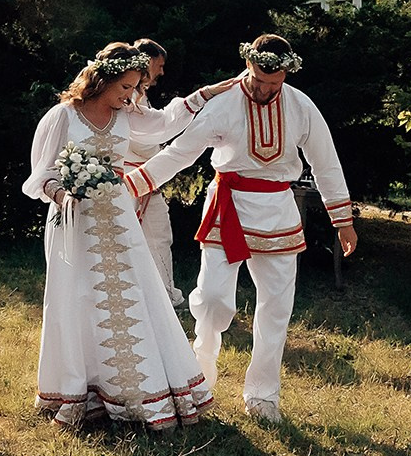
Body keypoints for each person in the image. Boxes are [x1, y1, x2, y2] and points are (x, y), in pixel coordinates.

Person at [125, 34, 357, 424]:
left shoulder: (301, 106)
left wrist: (343, 220)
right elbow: (180, 153)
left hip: (279, 210)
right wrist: (129, 186)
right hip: (229, 205)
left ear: (287, 73)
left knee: (277, 307)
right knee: (214, 300)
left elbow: (326, 162)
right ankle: (200, 377)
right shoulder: (224, 104)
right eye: (259, 80)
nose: (266, 90)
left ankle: (263, 396)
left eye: (275, 83)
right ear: (248, 66)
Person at [26, 44, 214, 430]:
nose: (130, 96)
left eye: (134, 88)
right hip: (74, 224)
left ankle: (140, 392)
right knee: (76, 300)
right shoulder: (63, 116)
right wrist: (64, 195)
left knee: (135, 298)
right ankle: (78, 392)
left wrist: (208, 93)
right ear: (102, 78)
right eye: (125, 87)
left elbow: (165, 124)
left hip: (118, 220)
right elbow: (40, 177)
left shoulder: (128, 115)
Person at [121, 38, 238, 307]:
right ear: (147, 62)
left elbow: (158, 127)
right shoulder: (124, 99)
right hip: (130, 179)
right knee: (126, 238)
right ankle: (132, 295)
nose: (162, 72)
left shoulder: (140, 97)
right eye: (159, 65)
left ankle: (162, 294)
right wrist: (204, 94)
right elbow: (153, 131)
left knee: (160, 236)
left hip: (149, 176)